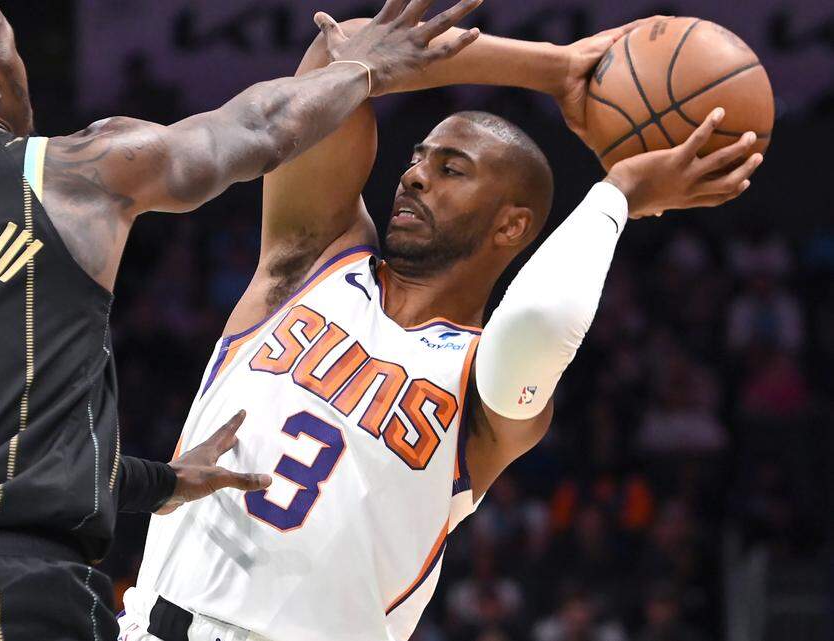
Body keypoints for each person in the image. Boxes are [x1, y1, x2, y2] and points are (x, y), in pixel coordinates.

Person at [0, 0, 485, 639]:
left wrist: (164, 482)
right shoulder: (62, 175)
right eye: (14, 50)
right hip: (7, 593)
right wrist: (362, 70)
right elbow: (255, 129)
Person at [122, 15, 764, 641]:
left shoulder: (483, 383)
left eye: (451, 169)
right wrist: (556, 68)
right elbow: (342, 53)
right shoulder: (311, 258)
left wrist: (615, 195)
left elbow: (539, 319)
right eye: (419, 159)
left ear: (511, 225)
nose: (414, 175)